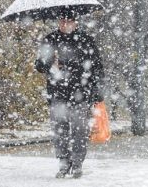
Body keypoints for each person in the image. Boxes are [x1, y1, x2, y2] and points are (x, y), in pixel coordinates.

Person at [34, 13, 104, 179]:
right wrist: (49, 64)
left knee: (80, 129)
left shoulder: (86, 40)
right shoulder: (50, 40)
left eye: (68, 21)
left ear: (75, 22)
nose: (65, 24)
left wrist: (96, 91)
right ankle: (63, 161)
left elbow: (97, 67)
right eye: (62, 21)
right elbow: (39, 65)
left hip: (81, 92)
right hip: (57, 92)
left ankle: (77, 162)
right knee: (60, 129)